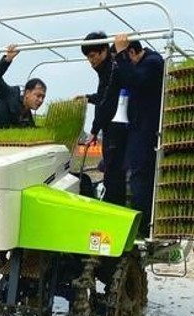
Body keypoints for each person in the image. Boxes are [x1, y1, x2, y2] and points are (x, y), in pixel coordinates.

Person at [114, 33, 164, 237]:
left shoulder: (153, 62)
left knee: (140, 177)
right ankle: (138, 223)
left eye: (127, 58)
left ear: (132, 52)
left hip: (146, 131)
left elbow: (135, 80)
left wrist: (120, 54)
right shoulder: (147, 62)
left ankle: (142, 227)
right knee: (135, 174)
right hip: (138, 129)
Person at [80, 31, 128, 207]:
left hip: (117, 129)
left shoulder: (111, 69)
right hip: (114, 128)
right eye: (88, 57)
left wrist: (93, 131)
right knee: (112, 170)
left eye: (92, 56)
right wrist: (87, 97)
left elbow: (106, 102)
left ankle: (114, 209)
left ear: (103, 51)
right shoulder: (106, 69)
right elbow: (103, 96)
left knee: (113, 172)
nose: (91, 61)